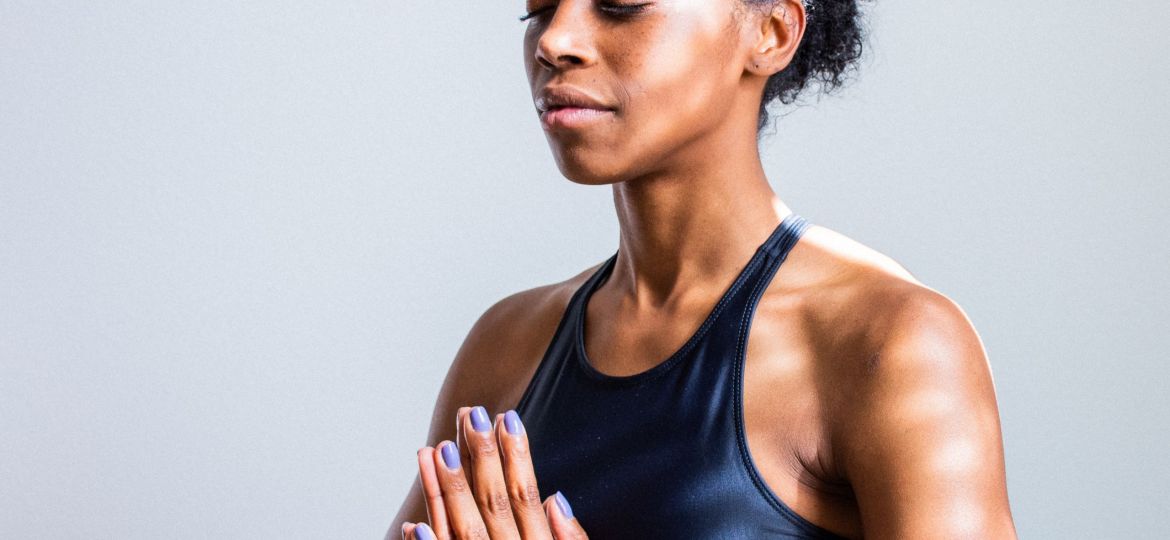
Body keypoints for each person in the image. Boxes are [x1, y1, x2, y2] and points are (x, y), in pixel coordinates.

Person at [390, 0, 1017, 538]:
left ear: (769, 33)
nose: (555, 40)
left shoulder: (890, 344)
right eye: (539, 7)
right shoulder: (507, 347)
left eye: (621, 3)